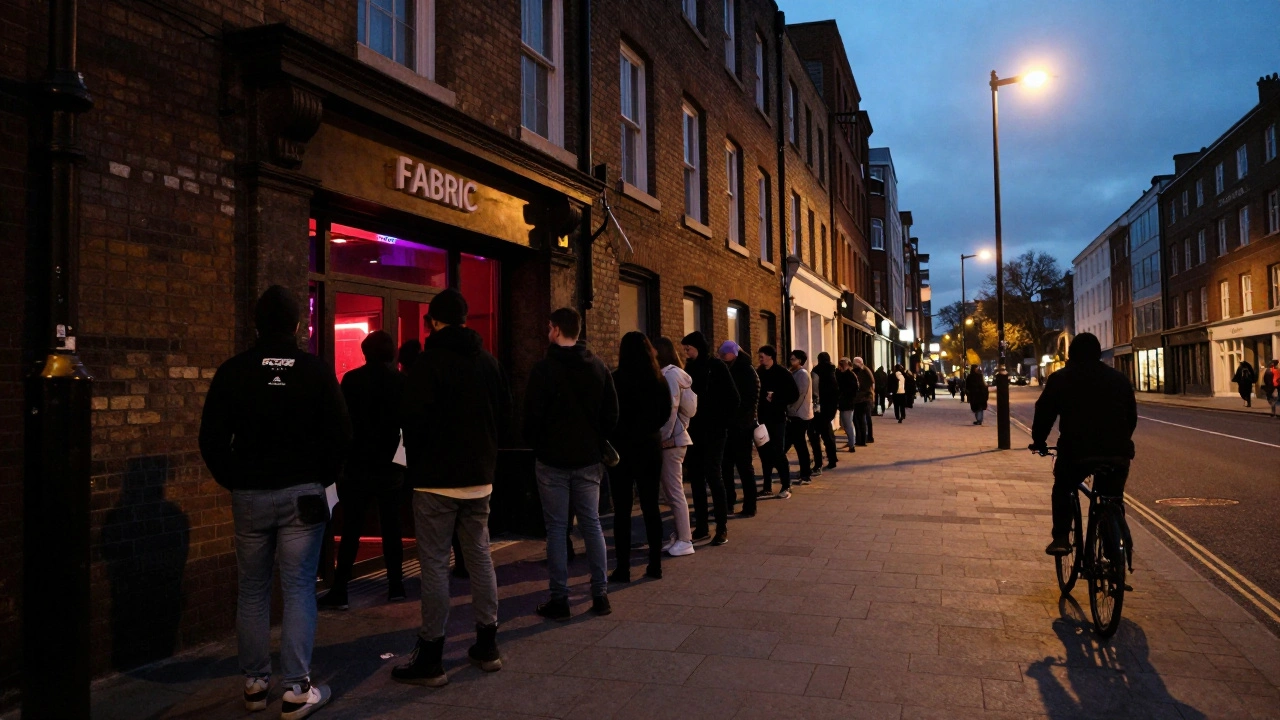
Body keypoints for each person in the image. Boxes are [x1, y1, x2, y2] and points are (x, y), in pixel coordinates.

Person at [199, 285, 352, 718]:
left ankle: (254, 682)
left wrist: (235, 478)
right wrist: (320, 475)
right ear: (297, 325)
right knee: (300, 587)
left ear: (255, 324)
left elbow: (210, 438)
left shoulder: (234, 371)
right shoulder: (314, 371)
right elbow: (342, 435)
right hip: (302, 494)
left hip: (249, 494)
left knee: (251, 589)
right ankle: (297, 687)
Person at [393, 289, 510, 686]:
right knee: (479, 558)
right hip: (480, 480)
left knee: (435, 567)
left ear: (434, 321)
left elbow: (412, 421)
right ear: (465, 320)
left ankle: (431, 656)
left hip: (435, 484)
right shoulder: (490, 363)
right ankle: (488, 644)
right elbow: (505, 414)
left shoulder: (427, 364)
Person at [525, 308, 618, 620]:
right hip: (589, 459)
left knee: (556, 528)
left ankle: (560, 599)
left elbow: (531, 417)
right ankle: (600, 594)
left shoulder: (543, 370)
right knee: (591, 524)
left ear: (556, 330)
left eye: (549, 327)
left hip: (552, 460)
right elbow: (612, 414)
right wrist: (595, 440)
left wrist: (540, 444)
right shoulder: (598, 367)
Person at [318, 330, 406, 612]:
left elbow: (343, 423)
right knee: (392, 527)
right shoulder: (400, 382)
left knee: (352, 529)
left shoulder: (352, 380)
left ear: (365, 352)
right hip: (390, 465)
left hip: (358, 465)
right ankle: (396, 586)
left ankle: (341, 588)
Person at [1030, 333, 1137, 556]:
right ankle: (1114, 550)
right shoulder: (1119, 379)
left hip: (1076, 452)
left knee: (1063, 487)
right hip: (1117, 453)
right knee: (1112, 496)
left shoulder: (1061, 378)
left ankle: (1061, 538)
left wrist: (1039, 441)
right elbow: (1131, 417)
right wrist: (1122, 441)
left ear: (1071, 354)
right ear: (1099, 353)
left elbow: (1044, 414)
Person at [608, 332, 673, 583]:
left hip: (622, 449)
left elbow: (609, 413)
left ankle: (623, 568)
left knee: (622, 510)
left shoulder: (615, 379)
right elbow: (666, 412)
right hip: (649, 446)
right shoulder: (658, 379)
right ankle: (655, 564)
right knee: (650, 507)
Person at [681, 331, 739, 546]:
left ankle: (722, 527)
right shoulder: (689, 368)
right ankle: (702, 526)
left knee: (714, 477)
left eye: (689, 348)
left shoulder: (716, 366)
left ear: (699, 346)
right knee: (696, 478)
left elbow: (734, 398)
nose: (686, 352)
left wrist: (721, 421)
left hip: (714, 431)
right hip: (694, 431)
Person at [655, 337, 697, 556]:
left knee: (675, 492)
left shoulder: (670, 375)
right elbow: (688, 410)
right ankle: (680, 535)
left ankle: (685, 539)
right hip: (678, 438)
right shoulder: (679, 374)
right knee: (673, 492)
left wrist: (664, 436)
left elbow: (670, 409)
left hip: (672, 441)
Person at [720, 341, 761, 517]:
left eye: (724, 353)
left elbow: (751, 398)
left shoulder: (745, 370)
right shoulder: (729, 367)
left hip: (742, 425)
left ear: (733, 353)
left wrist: (738, 414)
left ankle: (749, 505)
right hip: (730, 424)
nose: (722, 356)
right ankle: (728, 501)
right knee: (726, 466)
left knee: (744, 466)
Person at [757, 345, 799, 500]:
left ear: (770, 357)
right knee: (764, 453)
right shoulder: (759, 372)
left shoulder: (782, 373)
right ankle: (767, 486)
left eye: (763, 355)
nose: (760, 358)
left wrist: (776, 398)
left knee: (778, 452)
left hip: (777, 418)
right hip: (762, 419)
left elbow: (794, 394)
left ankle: (786, 485)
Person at [786, 350, 815, 488]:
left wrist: (791, 409)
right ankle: (804, 471)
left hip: (800, 415)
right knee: (796, 443)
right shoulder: (794, 373)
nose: (791, 361)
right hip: (796, 414)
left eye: (793, 359)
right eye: (790, 359)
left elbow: (800, 394)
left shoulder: (802, 374)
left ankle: (806, 474)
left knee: (800, 445)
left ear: (800, 361)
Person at [808, 352, 840, 471]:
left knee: (815, 434)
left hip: (821, 408)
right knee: (828, 433)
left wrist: (815, 405)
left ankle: (818, 463)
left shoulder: (817, 371)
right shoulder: (834, 370)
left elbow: (815, 391)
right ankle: (832, 458)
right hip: (831, 407)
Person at [836, 358, 858, 451]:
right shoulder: (844, 374)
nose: (841, 367)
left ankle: (852, 444)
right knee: (846, 423)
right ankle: (851, 442)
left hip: (847, 402)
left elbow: (853, 389)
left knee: (847, 423)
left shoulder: (849, 375)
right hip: (845, 402)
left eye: (843, 365)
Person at [852, 357, 875, 445]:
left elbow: (868, 383)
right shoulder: (865, 370)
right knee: (864, 418)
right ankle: (866, 437)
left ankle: (864, 438)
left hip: (863, 398)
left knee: (862, 419)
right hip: (865, 397)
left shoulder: (862, 371)